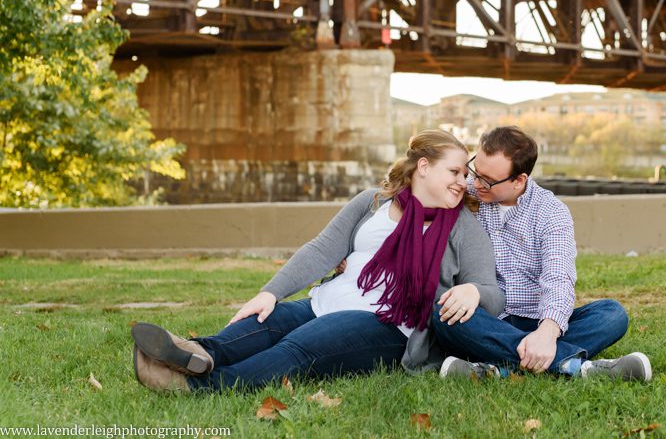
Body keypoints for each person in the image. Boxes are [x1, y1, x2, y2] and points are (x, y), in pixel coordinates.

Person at [130, 129, 504, 393]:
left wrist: (472, 290)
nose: (462, 183)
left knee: (297, 346)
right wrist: (270, 292)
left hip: (388, 328)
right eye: (454, 172)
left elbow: (493, 292)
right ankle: (195, 354)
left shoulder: (462, 226)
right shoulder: (373, 202)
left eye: (464, 175)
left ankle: (201, 387)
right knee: (271, 320)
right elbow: (322, 249)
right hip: (326, 301)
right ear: (423, 167)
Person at [432, 126, 651, 381]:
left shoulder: (551, 212)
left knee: (612, 314)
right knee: (443, 313)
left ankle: (497, 367)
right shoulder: (466, 193)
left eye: (488, 180)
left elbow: (559, 277)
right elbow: (421, 186)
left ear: (519, 180)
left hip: (539, 318)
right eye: (475, 171)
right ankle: (577, 368)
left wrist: (547, 332)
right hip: (488, 318)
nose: (476, 184)